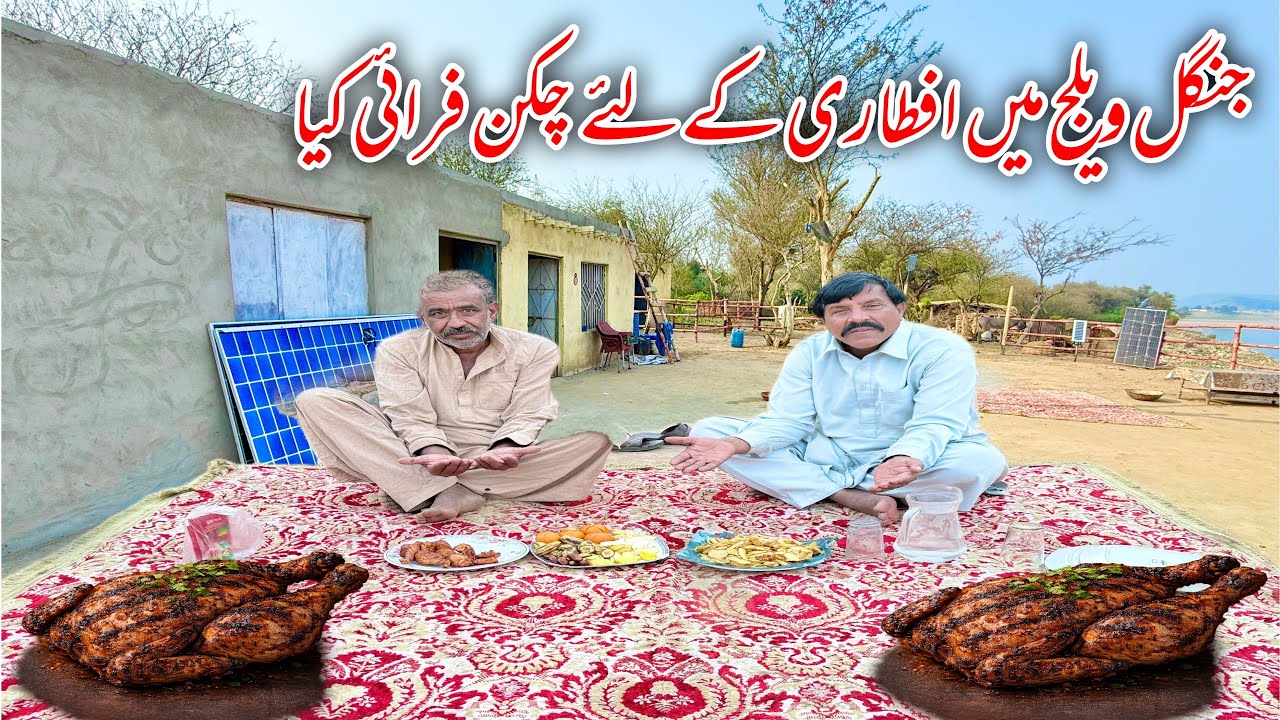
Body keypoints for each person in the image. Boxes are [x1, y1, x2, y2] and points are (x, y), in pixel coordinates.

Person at [666, 272, 1007, 525]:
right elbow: (789, 420)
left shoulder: (943, 349)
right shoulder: (810, 352)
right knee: (713, 431)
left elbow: (937, 421)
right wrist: (736, 445)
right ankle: (844, 494)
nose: (858, 318)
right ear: (825, 320)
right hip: (830, 453)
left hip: (920, 460)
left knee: (978, 463)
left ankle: (819, 486)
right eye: (840, 311)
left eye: (872, 305)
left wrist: (905, 457)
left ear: (900, 309)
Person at [295, 270, 611, 523]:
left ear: (491, 311)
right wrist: (435, 456)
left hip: (494, 457)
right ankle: (441, 488)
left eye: (468, 310)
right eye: (439, 314)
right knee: (315, 401)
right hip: (418, 452)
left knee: (599, 436)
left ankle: (411, 486)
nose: (455, 323)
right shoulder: (398, 350)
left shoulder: (534, 349)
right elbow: (409, 417)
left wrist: (506, 449)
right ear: (424, 319)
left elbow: (528, 413)